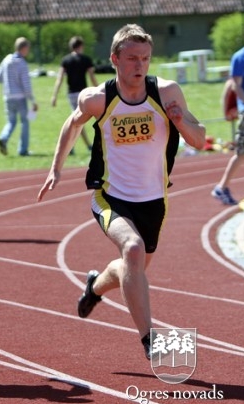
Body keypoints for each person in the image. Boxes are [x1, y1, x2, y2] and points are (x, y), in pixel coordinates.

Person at [37, 24, 206, 360]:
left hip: (155, 200)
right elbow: (72, 124)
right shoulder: (98, 98)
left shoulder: (167, 93)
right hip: (110, 198)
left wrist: (181, 122)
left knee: (134, 267)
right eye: (131, 58)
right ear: (114, 59)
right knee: (132, 249)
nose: (139, 65)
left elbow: (199, 139)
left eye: (144, 58)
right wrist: (56, 167)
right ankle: (149, 340)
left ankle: (94, 287)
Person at [211, 23, 244, 205]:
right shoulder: (240, 57)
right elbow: (235, 85)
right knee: (242, 152)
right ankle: (221, 187)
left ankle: (221, 187)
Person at [50, 36, 99, 153]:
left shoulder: (65, 60)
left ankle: (73, 145)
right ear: (81, 46)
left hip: (71, 94)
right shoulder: (86, 59)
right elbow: (92, 77)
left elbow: (59, 79)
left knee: (77, 119)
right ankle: (83, 145)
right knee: (79, 120)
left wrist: (54, 95)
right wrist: (99, 90)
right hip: (84, 93)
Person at [0, 37, 38, 156]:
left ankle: (3, 138)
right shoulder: (22, 63)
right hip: (20, 97)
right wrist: (33, 100)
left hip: (8, 96)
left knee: (11, 121)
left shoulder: (6, 59)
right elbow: (26, 85)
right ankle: (23, 149)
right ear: (24, 48)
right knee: (24, 122)